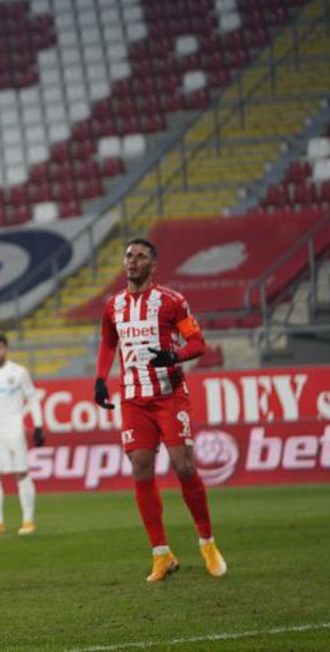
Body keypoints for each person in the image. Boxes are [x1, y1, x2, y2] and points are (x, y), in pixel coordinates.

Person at [95, 237, 227, 582]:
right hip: (134, 397)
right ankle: (161, 553)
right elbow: (109, 342)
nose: (132, 261)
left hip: (169, 394)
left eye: (140, 256)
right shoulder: (113, 305)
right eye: (128, 256)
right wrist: (99, 379)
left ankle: (207, 542)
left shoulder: (171, 301)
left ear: (153, 265)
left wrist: (176, 356)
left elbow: (197, 342)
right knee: (140, 468)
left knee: (183, 466)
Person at [0, 333, 45, 536]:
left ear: (6, 349)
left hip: (12, 427)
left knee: (20, 472)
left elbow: (32, 397)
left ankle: (28, 520)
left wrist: (38, 425)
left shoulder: (18, 372)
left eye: (0, 348)